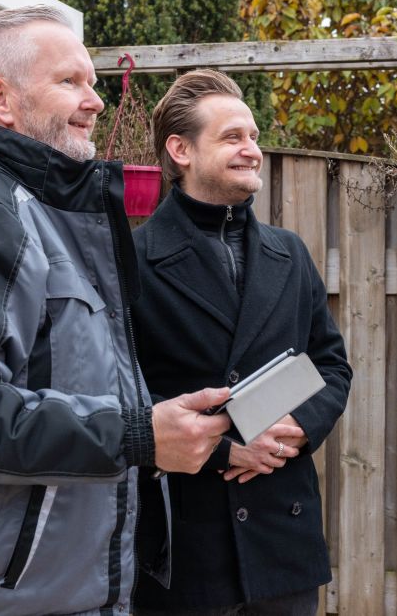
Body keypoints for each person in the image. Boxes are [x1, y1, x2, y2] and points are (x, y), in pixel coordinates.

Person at [0, 5, 232, 616]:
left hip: (77, 592)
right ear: (1, 100)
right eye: (70, 82)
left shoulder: (56, 221)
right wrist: (138, 435)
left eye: (92, 82)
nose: (96, 101)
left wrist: (160, 426)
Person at [131, 69, 352, 615]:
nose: (251, 150)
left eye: (253, 137)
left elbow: (330, 364)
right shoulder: (133, 259)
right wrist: (228, 450)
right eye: (232, 137)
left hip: (283, 533)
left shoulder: (289, 252)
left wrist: (295, 432)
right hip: (188, 544)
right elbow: (123, 394)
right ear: (180, 150)